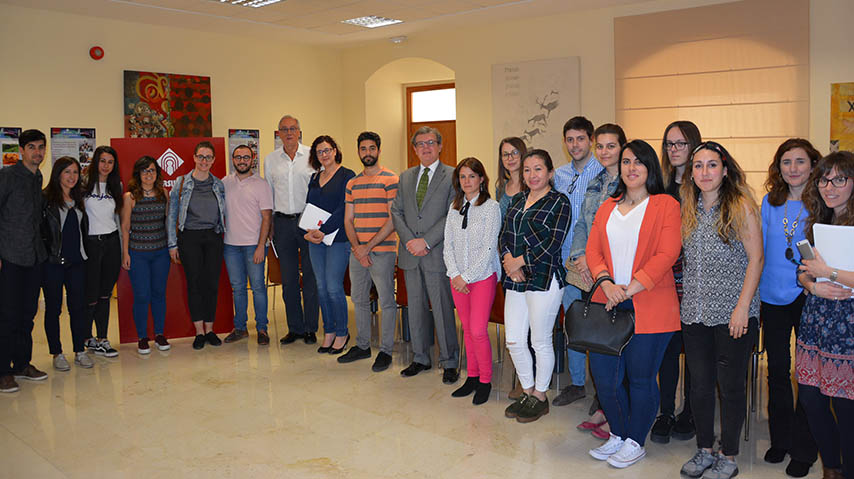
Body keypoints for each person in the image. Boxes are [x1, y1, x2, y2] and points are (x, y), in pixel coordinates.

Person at [583, 140, 681, 468]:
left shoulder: (665, 204)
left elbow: (668, 253)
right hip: (607, 301)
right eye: (626, 162)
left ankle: (636, 440)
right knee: (605, 376)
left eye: (639, 162)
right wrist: (607, 283)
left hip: (650, 303)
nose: (631, 168)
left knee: (640, 377)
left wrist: (631, 287)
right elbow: (593, 250)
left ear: (650, 167)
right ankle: (618, 434)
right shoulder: (607, 206)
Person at [679, 141, 762, 479]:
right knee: (698, 385)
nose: (704, 172)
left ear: (725, 169)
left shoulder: (740, 206)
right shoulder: (689, 206)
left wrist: (742, 308)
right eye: (698, 166)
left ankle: (728, 455)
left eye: (711, 165)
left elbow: (756, 260)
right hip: (694, 313)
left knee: (729, 386)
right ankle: (704, 450)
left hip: (733, 314)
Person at [758, 139, 820, 477]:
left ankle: (803, 449)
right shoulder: (769, 201)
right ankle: (779, 440)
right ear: (778, 167)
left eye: (800, 161)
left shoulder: (822, 203)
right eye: (786, 162)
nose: (793, 168)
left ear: (813, 165)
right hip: (772, 296)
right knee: (778, 372)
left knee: (806, 376)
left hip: (809, 295)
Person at [565, 123, 627, 438]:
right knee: (599, 342)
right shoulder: (596, 181)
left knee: (616, 345)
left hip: (617, 276)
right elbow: (582, 225)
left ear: (622, 147)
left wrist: (597, 265)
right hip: (591, 271)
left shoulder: (629, 182)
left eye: (610, 146)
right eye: (600, 146)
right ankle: (604, 407)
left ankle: (615, 411)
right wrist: (580, 256)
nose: (603, 152)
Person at [500, 149, 570, 423]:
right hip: (515, 279)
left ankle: (540, 396)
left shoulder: (559, 202)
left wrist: (520, 261)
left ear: (550, 173)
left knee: (540, 340)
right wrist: (508, 260)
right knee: (514, 339)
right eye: (527, 170)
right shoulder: (517, 200)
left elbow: (553, 243)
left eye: (538, 169)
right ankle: (527, 390)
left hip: (545, 277)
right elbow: (505, 233)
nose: (532, 175)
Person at [796, 150, 854, 479]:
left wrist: (828, 273)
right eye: (824, 179)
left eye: (840, 180)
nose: (829, 187)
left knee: (847, 410)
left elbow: (825, 270)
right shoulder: (820, 220)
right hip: (817, 321)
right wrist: (811, 283)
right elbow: (804, 273)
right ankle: (831, 465)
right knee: (811, 399)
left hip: (848, 329)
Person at [390, 126, 459, 384]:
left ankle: (450, 361)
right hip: (410, 254)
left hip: (436, 253)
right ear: (415, 149)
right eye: (420, 144)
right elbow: (396, 212)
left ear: (440, 146)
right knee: (415, 308)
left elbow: (452, 213)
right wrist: (411, 241)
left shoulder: (452, 175)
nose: (425, 147)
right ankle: (420, 357)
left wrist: (426, 242)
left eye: (431, 142)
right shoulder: (406, 177)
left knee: (441, 309)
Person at [651, 120, 702, 444]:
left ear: (694, 145)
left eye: (681, 143)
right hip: (668, 277)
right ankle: (666, 411)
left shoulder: (705, 183)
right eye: (669, 144)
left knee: (696, 350)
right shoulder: (661, 185)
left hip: (698, 279)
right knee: (668, 349)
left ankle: (692, 411)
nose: (674, 149)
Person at [553, 116, 604, 406]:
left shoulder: (604, 173)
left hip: (595, 262)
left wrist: (590, 258)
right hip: (566, 262)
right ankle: (576, 383)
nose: (575, 145)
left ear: (591, 140)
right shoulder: (559, 175)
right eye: (570, 140)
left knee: (597, 327)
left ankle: (602, 388)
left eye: (580, 139)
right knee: (573, 323)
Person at [339, 131, 399, 371]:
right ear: (358, 152)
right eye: (363, 149)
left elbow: (393, 220)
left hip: (382, 251)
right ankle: (362, 345)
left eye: (371, 148)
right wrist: (358, 248)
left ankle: (385, 351)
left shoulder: (390, 179)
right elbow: (348, 220)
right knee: (359, 299)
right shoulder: (352, 183)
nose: (367, 153)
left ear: (379, 150)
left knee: (386, 301)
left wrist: (368, 247)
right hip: (358, 252)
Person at [444, 157, 501, 405]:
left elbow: (489, 249)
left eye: (472, 176)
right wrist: (455, 274)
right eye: (463, 176)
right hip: (457, 278)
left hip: (482, 277)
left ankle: (485, 381)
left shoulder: (491, 207)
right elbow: (448, 245)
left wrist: (466, 276)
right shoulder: (454, 207)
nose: (467, 181)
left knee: (478, 330)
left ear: (481, 179)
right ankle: (473, 376)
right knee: (466, 329)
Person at [0, 129, 49, 392]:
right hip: (10, 257)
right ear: (21, 150)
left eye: (41, 147)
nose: (37, 152)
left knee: (27, 315)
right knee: (7, 315)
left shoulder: (38, 177)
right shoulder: (7, 177)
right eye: (32, 147)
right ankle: (3, 371)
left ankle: (21, 364)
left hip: (34, 258)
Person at [264, 115, 319, 346]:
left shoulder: (311, 156)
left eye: (293, 129)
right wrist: (269, 226)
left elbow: (320, 188)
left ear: (299, 131)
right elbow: (268, 194)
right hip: (282, 223)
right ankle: (295, 328)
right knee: (288, 280)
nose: (288, 133)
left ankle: (310, 328)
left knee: (310, 278)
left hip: (307, 221)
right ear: (278, 133)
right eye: (284, 129)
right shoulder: (270, 160)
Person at [168, 141, 226, 350]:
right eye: (200, 156)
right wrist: (172, 244)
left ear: (213, 160)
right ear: (193, 157)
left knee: (211, 284)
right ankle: (199, 332)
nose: (204, 161)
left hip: (213, 237)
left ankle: (210, 330)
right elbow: (172, 213)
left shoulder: (218, 184)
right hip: (189, 238)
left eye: (208, 157)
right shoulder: (181, 183)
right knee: (194, 284)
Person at [303, 136, 355, 354]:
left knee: (334, 287)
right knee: (321, 288)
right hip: (315, 240)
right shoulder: (315, 177)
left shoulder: (347, 175)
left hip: (338, 239)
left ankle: (342, 332)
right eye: (319, 152)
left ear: (335, 151)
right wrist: (308, 231)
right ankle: (329, 331)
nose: (323, 155)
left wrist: (323, 230)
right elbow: (309, 205)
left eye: (327, 150)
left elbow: (344, 209)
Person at [41, 156, 92, 370]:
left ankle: (79, 350)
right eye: (67, 172)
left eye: (75, 172)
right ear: (58, 173)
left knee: (78, 308)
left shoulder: (80, 198)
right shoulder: (46, 198)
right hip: (53, 262)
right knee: (53, 309)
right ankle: (57, 353)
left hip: (77, 262)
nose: (72, 176)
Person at [222, 145, 273, 345]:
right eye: (238, 157)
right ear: (233, 160)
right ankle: (240, 328)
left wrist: (261, 246)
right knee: (238, 288)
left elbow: (267, 217)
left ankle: (262, 328)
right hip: (231, 246)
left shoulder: (261, 184)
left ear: (253, 159)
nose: (242, 160)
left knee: (259, 288)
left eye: (246, 157)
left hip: (255, 245)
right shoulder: (225, 182)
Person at [121, 156, 171, 354]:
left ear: (157, 173)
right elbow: (125, 227)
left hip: (160, 253)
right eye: (144, 171)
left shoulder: (164, 194)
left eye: (152, 170)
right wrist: (125, 253)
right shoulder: (130, 197)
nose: (148, 174)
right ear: (138, 174)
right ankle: (142, 337)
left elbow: (168, 224)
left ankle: (159, 334)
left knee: (159, 294)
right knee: (142, 295)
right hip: (138, 254)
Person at [82, 146, 123, 358]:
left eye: (110, 162)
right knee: (90, 294)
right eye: (102, 161)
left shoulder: (116, 187)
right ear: (95, 162)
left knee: (105, 294)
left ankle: (103, 339)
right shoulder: (83, 187)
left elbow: (120, 220)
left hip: (111, 243)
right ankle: (86, 337)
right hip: (90, 244)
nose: (106, 165)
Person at [496, 137, 526, 219]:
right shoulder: (500, 188)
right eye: (505, 154)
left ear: (522, 154)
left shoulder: (532, 186)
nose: (510, 158)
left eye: (515, 153)